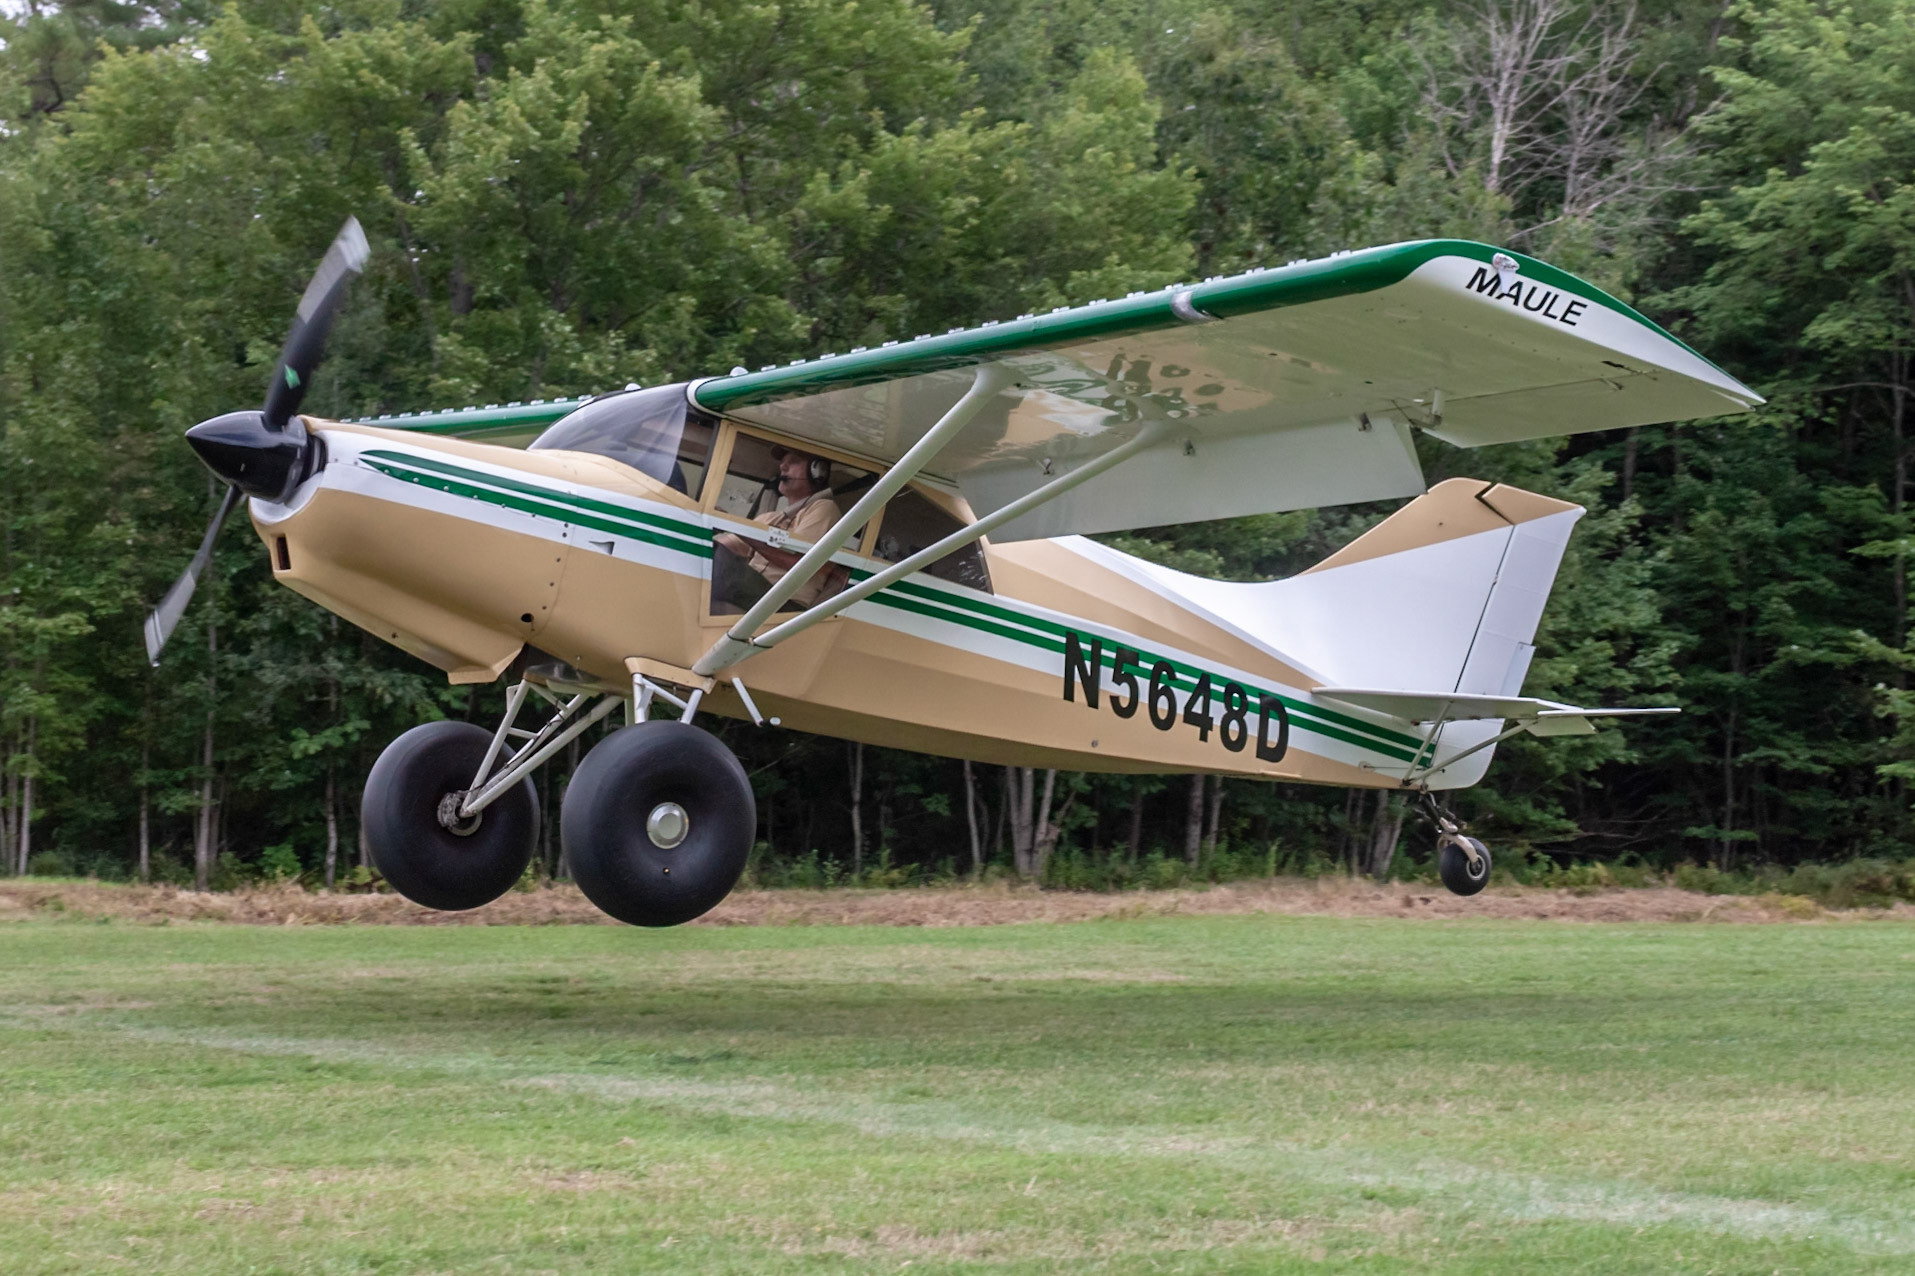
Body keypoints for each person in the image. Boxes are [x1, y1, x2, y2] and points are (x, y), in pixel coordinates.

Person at [711, 446, 845, 613]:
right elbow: (726, 546)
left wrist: (735, 526)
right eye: (782, 463)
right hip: (755, 593)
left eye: (793, 462)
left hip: (784, 602)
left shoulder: (824, 508)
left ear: (818, 472)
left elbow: (799, 561)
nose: (782, 467)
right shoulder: (769, 518)